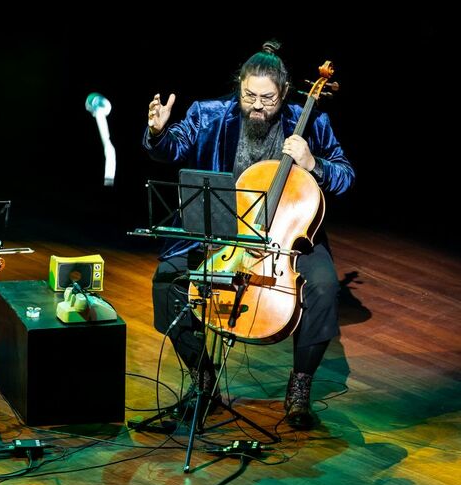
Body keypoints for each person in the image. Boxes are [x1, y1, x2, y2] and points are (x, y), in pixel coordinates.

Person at [143, 41, 355, 429]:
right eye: (249, 96)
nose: (257, 106)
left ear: (285, 92)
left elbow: (346, 175)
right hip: (222, 236)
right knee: (167, 280)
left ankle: (300, 386)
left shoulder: (312, 122)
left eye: (268, 99)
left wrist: (314, 163)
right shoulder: (208, 115)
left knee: (324, 288)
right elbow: (172, 149)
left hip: (288, 236)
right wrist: (158, 133)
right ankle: (203, 379)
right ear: (239, 86)